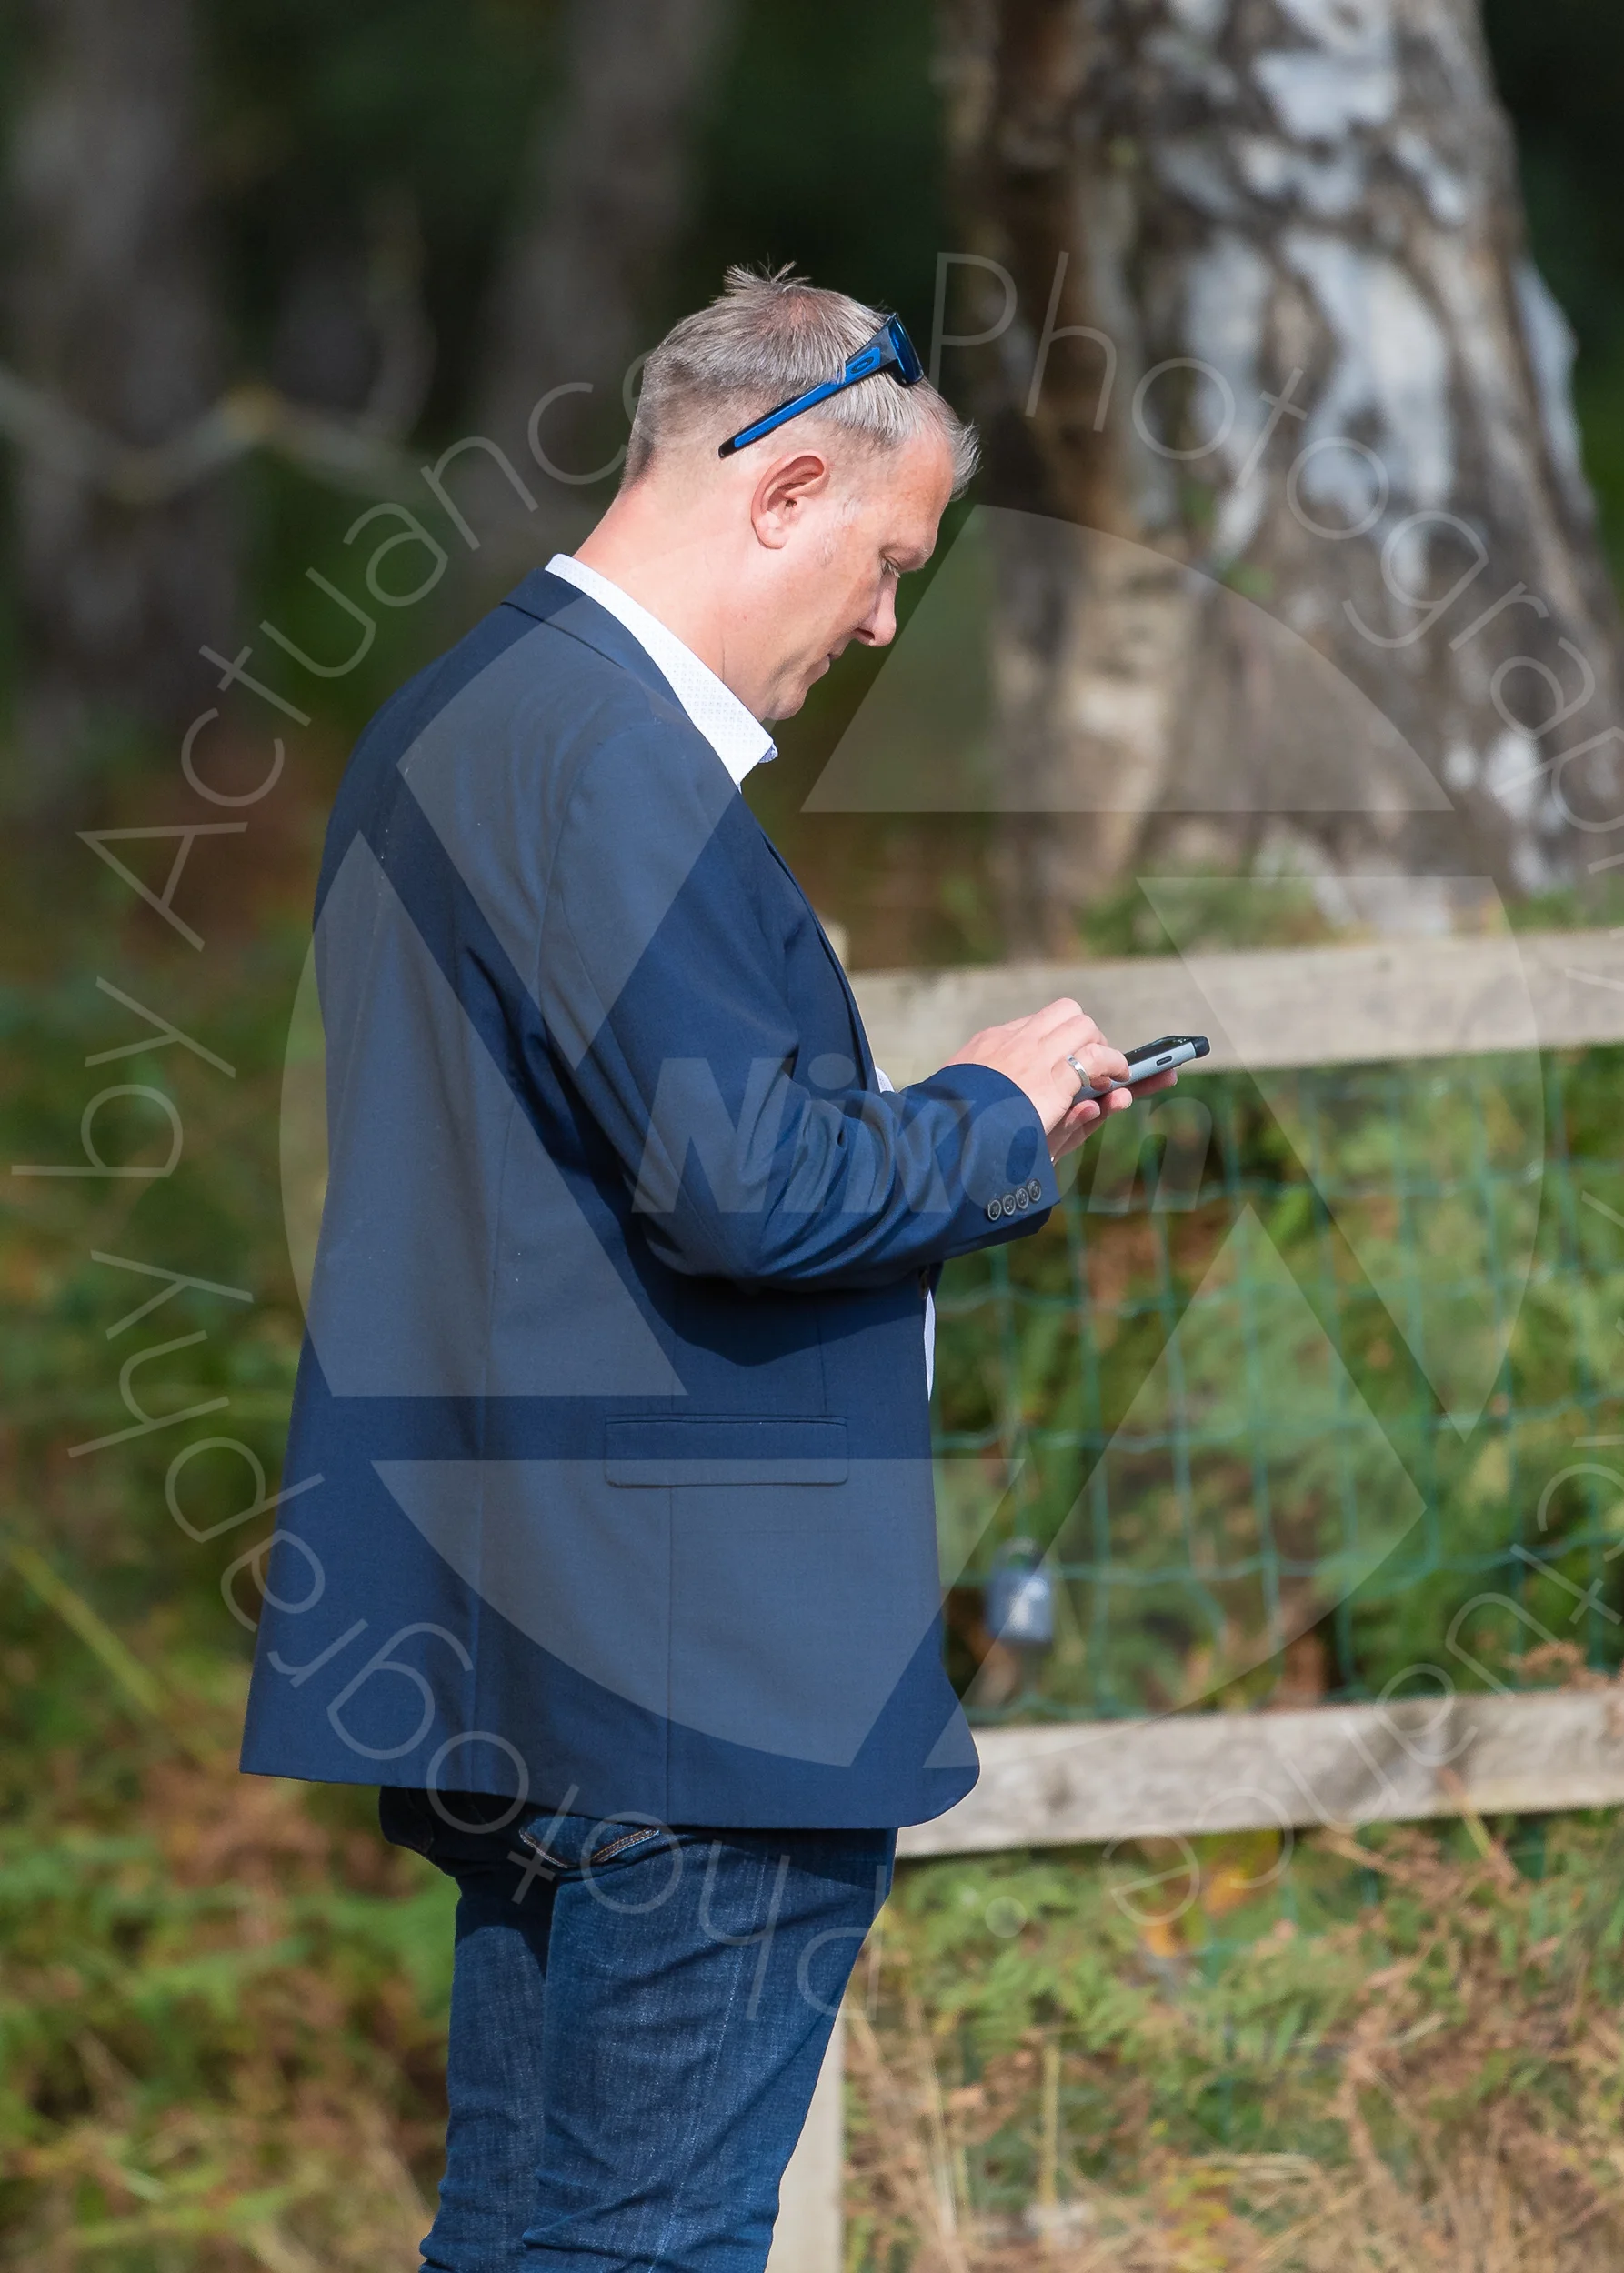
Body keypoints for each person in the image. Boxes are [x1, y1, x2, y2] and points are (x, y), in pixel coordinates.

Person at [240, 266, 1174, 2272]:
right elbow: (737, 1186)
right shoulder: (607, 754)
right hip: (687, 1669)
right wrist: (992, 1120)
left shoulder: (456, 716)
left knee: (521, 2236)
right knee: (636, 2250)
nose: (880, 621)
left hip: (521, 1643)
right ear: (779, 488)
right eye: (885, 558)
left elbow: (591, 1177)